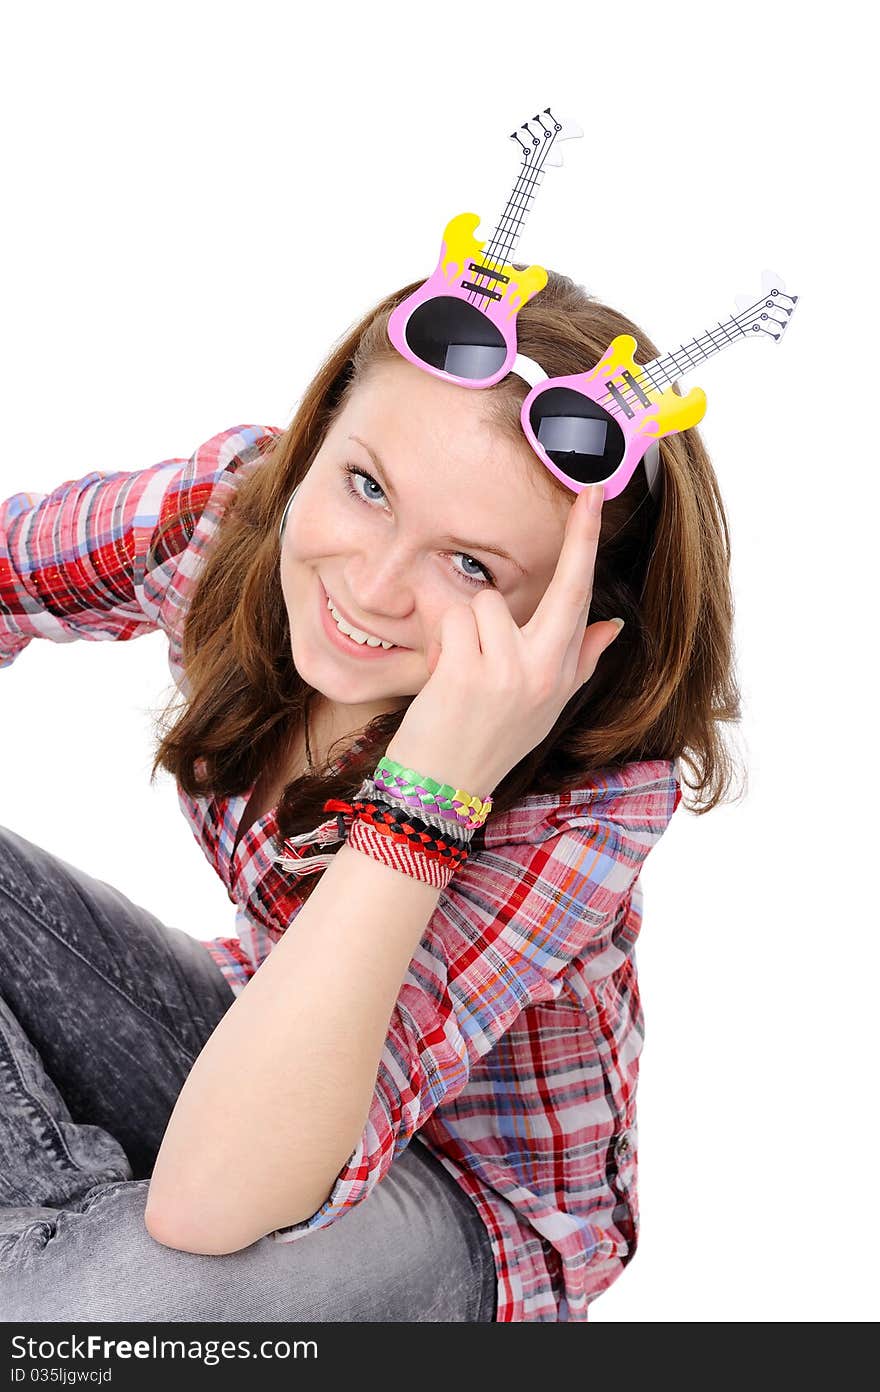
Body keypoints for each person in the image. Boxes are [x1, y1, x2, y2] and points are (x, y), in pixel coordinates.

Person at [0, 269, 741, 1322]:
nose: (373, 586)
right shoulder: (227, 521)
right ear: (321, 430)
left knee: (118, 1300)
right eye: (368, 486)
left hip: (465, 1212)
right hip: (259, 1056)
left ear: (570, 624)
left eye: (473, 568)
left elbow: (207, 1207)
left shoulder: (584, 809)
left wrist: (432, 790)